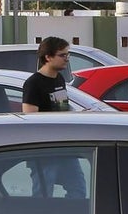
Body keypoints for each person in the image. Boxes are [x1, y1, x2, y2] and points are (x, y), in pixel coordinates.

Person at [22, 37, 85, 198]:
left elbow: (61, 108)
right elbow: (30, 118)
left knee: (78, 189)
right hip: (45, 149)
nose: (67, 59)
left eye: (68, 55)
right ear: (48, 57)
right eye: (62, 55)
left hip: (64, 146)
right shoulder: (33, 83)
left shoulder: (59, 79)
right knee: (43, 194)